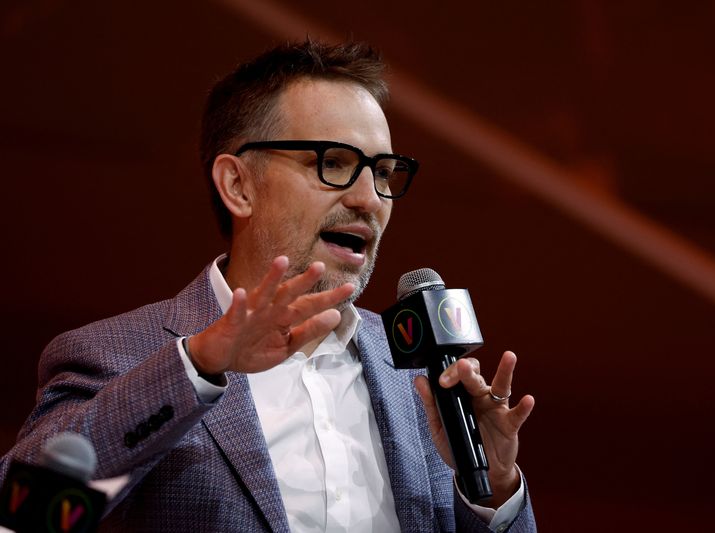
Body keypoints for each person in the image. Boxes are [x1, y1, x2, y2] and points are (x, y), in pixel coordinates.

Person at [0, 40, 536, 532]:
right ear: (238, 185)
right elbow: (23, 516)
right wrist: (200, 365)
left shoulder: (418, 380)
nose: (369, 199)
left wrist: (492, 490)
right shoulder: (114, 356)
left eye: (383, 172)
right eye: (333, 163)